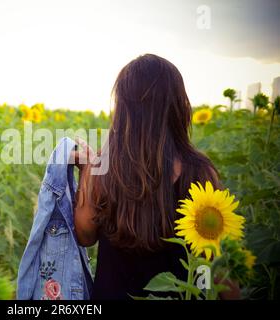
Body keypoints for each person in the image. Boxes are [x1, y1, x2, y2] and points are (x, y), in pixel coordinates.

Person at [71, 54, 223, 299]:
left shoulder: (102, 168)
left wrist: (87, 172)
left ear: (122, 109)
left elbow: (85, 236)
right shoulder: (199, 171)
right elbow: (213, 262)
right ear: (177, 106)